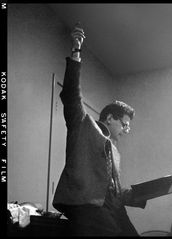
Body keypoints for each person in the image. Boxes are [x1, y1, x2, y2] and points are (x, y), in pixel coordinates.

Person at [52, 23, 147, 237]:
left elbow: (114, 193)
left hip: (112, 209)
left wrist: (141, 193)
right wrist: (76, 51)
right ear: (110, 118)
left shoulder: (115, 152)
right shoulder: (84, 125)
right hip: (87, 206)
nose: (127, 130)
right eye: (124, 124)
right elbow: (71, 95)